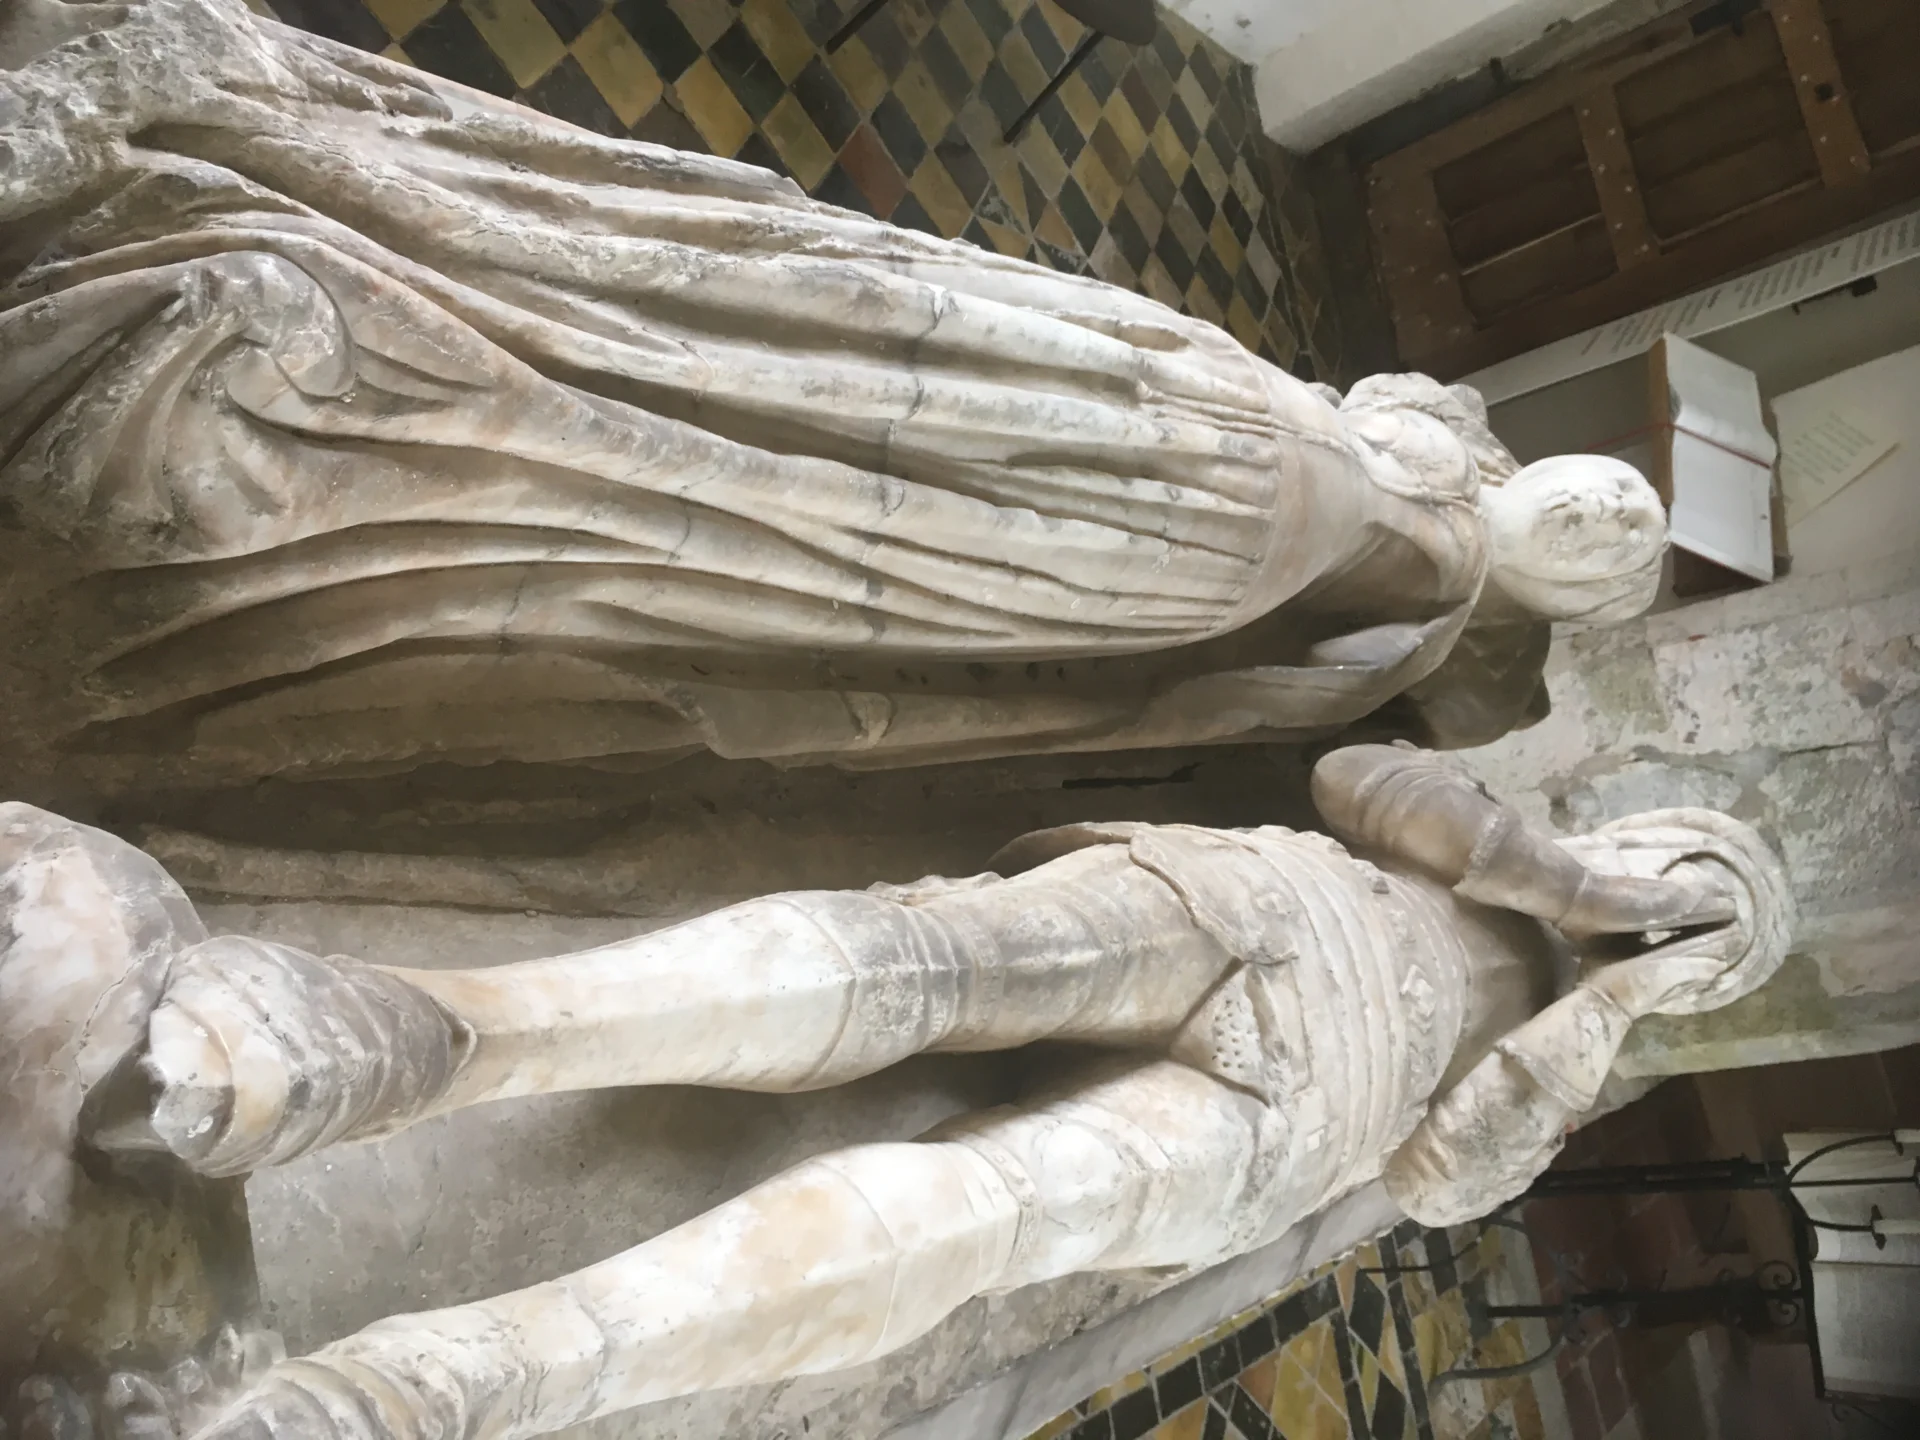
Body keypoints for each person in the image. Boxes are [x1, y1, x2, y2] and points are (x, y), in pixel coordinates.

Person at [1, 0, 1664, 803]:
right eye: (1612, 490)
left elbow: (1256, 711)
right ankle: (342, 208)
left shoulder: (1442, 647)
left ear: (1567, 598)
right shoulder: (1431, 424)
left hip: (1130, 558)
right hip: (1135, 375)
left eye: (1610, 547)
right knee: (781, 306)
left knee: (754, 505)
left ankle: (330, 407)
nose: (1597, 514)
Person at [22, 743, 1785, 1440]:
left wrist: (1602, 1017)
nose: (1682, 915)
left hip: (1290, 1130)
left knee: (957, 1230)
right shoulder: (1515, 838)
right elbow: (1362, 777)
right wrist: (1571, 884)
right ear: (1649, 834)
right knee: (880, 971)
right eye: (1690, 875)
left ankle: (432, 1391)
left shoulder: (1575, 1082)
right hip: (1261, 906)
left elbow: (1433, 1169)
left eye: (1718, 936)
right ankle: (400, 1034)